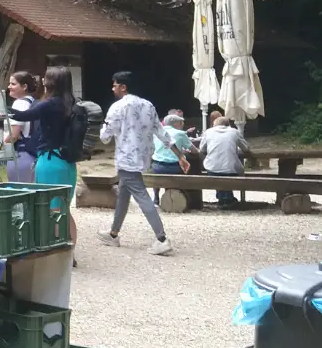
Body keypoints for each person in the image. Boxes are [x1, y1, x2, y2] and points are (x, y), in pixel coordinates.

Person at [97, 71, 188, 256]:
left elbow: (105, 138)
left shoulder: (117, 107)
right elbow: (162, 132)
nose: (112, 88)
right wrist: (180, 155)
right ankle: (113, 234)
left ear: (123, 87)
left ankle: (162, 238)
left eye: (114, 85)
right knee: (123, 194)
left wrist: (101, 127)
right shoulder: (148, 105)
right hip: (143, 158)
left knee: (141, 197)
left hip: (126, 158)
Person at [6, 66, 79, 245]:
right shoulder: (73, 104)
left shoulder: (50, 103)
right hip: (68, 163)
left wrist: (2, 108)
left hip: (49, 160)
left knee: (50, 208)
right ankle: (70, 249)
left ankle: (53, 248)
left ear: (51, 82)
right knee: (64, 208)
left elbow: (24, 116)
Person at [200, 116, 250, 206]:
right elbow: (246, 148)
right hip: (231, 169)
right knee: (229, 171)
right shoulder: (234, 132)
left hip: (212, 168)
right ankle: (227, 199)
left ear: (214, 125)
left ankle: (224, 199)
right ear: (228, 124)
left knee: (217, 174)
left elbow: (202, 149)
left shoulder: (208, 132)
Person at [4, 71, 41, 183]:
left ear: (24, 86)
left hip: (20, 155)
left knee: (18, 195)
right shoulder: (33, 102)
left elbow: (13, 136)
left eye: (13, 84)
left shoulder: (19, 104)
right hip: (32, 156)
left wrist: (2, 141)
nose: (9, 86)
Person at [151, 113, 193, 205]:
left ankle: (156, 198)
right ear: (175, 123)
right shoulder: (180, 133)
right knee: (189, 168)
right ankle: (177, 196)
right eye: (181, 122)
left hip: (157, 167)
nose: (182, 124)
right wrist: (183, 153)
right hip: (175, 167)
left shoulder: (156, 133)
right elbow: (193, 150)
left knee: (156, 171)